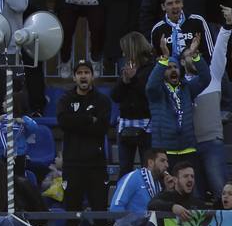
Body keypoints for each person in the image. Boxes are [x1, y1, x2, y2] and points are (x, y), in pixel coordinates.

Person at [147, 33, 210, 193]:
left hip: (188, 149)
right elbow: (150, 85)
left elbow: (205, 78)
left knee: (191, 192)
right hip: (165, 151)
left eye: (175, 67)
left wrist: (195, 55)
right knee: (168, 192)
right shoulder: (157, 92)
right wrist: (164, 59)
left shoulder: (187, 88)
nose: (173, 70)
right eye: (168, 68)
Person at [56, 61, 114, 217]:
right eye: (79, 73)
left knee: (100, 212)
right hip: (72, 165)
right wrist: (89, 119)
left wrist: (75, 122)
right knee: (72, 213)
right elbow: (63, 122)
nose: (83, 76)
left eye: (86, 72)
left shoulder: (102, 101)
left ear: (92, 76)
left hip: (96, 165)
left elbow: (101, 128)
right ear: (74, 77)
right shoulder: (65, 99)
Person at [110, 148, 169, 215]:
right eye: (162, 161)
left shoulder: (162, 182)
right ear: (150, 162)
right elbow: (116, 207)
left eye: (167, 161)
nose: (167, 165)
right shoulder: (133, 177)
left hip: (153, 224)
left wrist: (169, 189)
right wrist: (128, 224)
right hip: (133, 224)